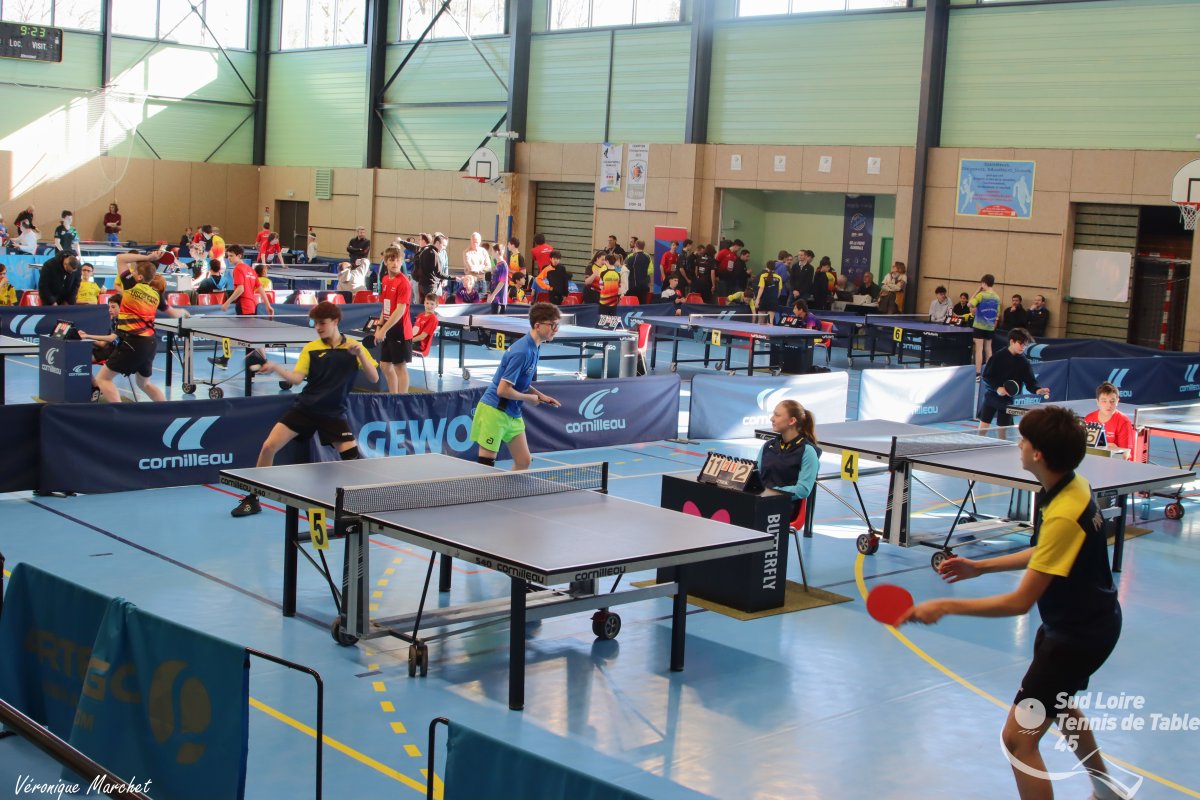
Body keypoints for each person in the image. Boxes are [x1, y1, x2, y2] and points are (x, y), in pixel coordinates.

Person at [901, 406, 1125, 800]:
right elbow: (1047, 551)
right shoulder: (1073, 486)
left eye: (1023, 440)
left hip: (1075, 637)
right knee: (1062, 705)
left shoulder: (1063, 512)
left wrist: (946, 607)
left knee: (1018, 740)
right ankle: (1107, 791)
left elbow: (1020, 602)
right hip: (1092, 621)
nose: (1018, 445)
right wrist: (980, 567)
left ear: (1038, 454)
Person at [229, 301, 379, 517]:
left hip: (333, 413)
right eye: (315, 323)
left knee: (351, 457)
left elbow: (374, 378)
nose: (318, 328)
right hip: (306, 408)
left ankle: (357, 504)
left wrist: (361, 355)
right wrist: (275, 367)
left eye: (322, 323)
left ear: (335, 321)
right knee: (269, 446)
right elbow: (297, 379)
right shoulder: (311, 348)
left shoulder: (354, 348)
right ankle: (253, 498)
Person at [81, 255, 188, 403]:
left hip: (132, 342)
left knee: (103, 379)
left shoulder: (131, 285)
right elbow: (174, 313)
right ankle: (165, 411)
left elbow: (120, 258)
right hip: (150, 343)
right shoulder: (157, 295)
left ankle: (120, 412)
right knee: (144, 384)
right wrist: (184, 312)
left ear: (139, 277)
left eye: (135, 271)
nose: (132, 272)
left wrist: (148, 256)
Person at [470, 302, 562, 471]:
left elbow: (521, 383)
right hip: (495, 411)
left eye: (557, 325)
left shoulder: (535, 347)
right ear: (538, 325)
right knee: (486, 466)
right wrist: (529, 399)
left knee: (523, 461)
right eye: (553, 325)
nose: (556, 329)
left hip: (512, 412)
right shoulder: (522, 351)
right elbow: (502, 390)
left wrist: (540, 395)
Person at [757, 400, 821, 519]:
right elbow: (756, 475)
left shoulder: (808, 452)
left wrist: (772, 493)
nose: (772, 418)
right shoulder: (768, 446)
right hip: (760, 501)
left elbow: (802, 490)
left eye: (777, 415)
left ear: (792, 421)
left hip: (784, 508)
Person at [978, 327, 1050, 431]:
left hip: (1007, 400)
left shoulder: (1024, 362)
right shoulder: (997, 357)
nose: (1023, 347)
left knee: (1003, 432)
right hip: (992, 396)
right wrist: (998, 388)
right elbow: (986, 376)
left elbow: (1030, 382)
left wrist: (1038, 390)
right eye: (1021, 344)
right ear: (1012, 341)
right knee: (982, 430)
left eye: (1025, 344)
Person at [374, 245, 413, 394]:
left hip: (400, 331)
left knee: (399, 367)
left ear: (401, 262)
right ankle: (393, 397)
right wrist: (379, 326)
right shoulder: (385, 280)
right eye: (391, 260)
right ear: (385, 262)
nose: (395, 263)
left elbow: (400, 310)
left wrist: (383, 330)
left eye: (397, 260)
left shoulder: (404, 282)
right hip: (388, 328)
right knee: (385, 365)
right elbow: (385, 307)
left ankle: (402, 401)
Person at [1084, 381, 1134, 458]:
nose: (1109, 405)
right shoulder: (1088, 419)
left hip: (1115, 462)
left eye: (1112, 401)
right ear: (1097, 402)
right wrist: (1105, 447)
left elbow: (1126, 455)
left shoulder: (1124, 422)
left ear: (1117, 401)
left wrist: (1113, 450)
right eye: (1104, 401)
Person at [970, 274, 1002, 378]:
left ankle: (978, 373)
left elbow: (970, 304)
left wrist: (976, 291)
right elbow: (997, 314)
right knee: (988, 349)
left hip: (979, 326)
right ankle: (989, 372)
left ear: (984, 283)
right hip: (990, 327)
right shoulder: (997, 298)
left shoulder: (981, 295)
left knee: (979, 349)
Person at [411, 294, 440, 359]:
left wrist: (409, 341)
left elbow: (422, 336)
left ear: (436, 305)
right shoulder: (420, 315)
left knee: (399, 345)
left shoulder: (433, 319)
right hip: (413, 341)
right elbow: (414, 331)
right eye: (427, 303)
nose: (429, 306)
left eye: (432, 304)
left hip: (420, 345)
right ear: (424, 303)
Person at [487, 242, 510, 315]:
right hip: (494, 298)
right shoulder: (497, 265)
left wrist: (493, 295)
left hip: (499, 299)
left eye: (492, 251)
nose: (491, 253)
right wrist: (490, 294)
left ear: (497, 252)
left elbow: (502, 282)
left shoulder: (504, 265)